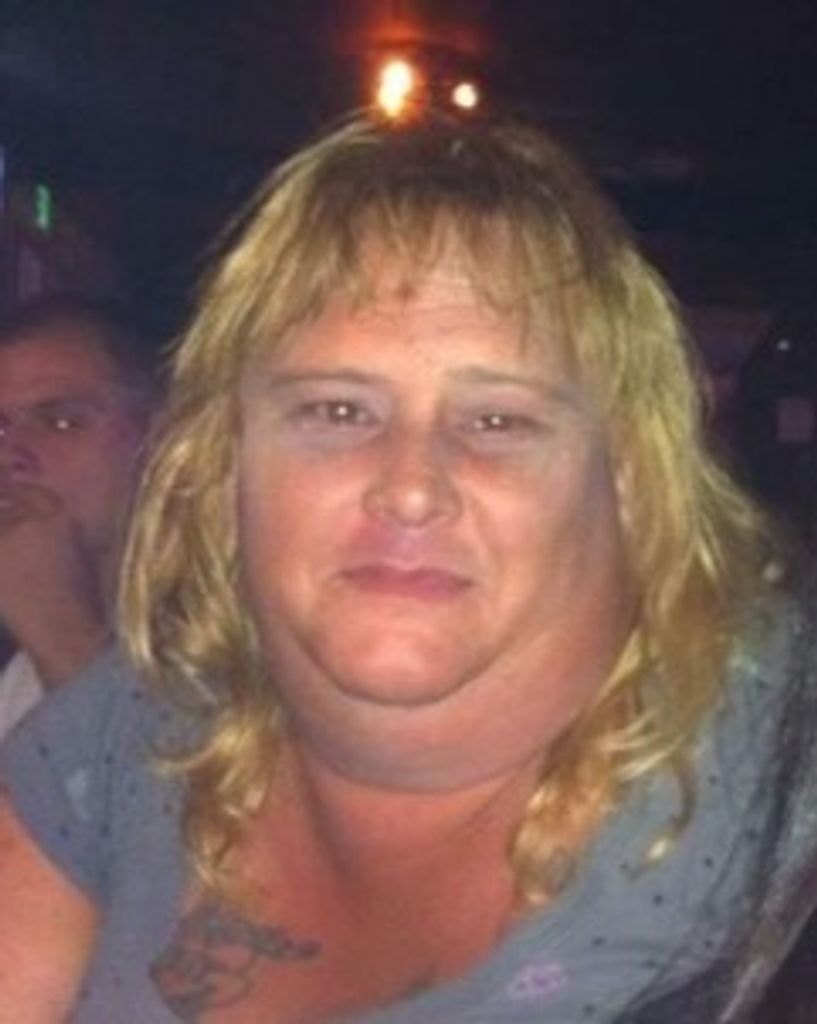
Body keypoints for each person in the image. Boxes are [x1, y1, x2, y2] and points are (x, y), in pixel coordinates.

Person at [0, 113, 814, 1023]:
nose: (411, 488)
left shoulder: (780, 792)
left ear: (625, 477)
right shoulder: (133, 733)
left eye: (497, 421)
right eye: (338, 410)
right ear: (224, 461)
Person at [0, 293, 157, 736]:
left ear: (161, 438)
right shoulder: (21, 675)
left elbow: (155, 780)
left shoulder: (246, 634)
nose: (10, 455)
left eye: (60, 421)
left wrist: (62, 636)